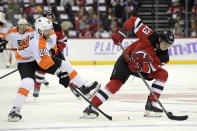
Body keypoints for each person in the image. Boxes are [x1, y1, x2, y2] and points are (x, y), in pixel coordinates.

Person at [7, 17, 100, 122]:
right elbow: (44, 63)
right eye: (44, 30)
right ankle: (15, 110)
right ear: (38, 30)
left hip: (35, 55)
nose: (47, 32)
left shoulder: (49, 33)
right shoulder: (38, 42)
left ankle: (83, 87)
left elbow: (52, 47)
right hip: (25, 62)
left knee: (65, 65)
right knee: (28, 82)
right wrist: (60, 74)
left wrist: (50, 51)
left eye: (49, 29)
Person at [82, 16, 174, 118]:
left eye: (169, 45)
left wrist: (140, 66)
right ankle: (91, 108)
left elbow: (151, 68)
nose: (166, 47)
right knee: (114, 84)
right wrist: (122, 32)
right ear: (160, 39)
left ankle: (151, 104)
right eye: (165, 44)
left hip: (139, 68)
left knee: (163, 74)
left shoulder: (164, 57)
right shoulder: (150, 35)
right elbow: (134, 20)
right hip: (126, 61)